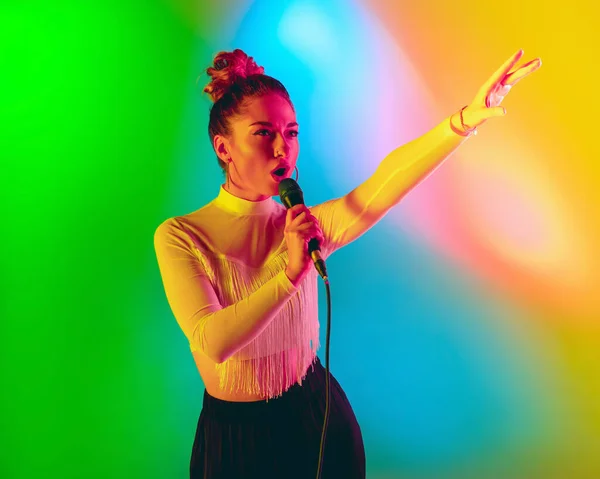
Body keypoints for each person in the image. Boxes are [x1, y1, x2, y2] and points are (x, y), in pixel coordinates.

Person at [154, 48, 541, 479]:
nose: (284, 147)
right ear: (223, 147)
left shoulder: (306, 226)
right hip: (241, 439)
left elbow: (381, 186)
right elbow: (214, 341)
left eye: (292, 132)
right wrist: (288, 275)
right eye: (264, 133)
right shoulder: (180, 236)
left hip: (318, 416)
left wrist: (466, 120)